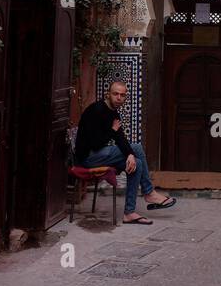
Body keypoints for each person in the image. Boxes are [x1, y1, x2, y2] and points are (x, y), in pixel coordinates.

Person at [74, 79, 175, 225]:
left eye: (122, 95)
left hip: (100, 155)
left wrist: (130, 155)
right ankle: (149, 192)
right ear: (108, 94)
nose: (119, 98)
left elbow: (121, 139)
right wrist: (112, 131)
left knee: (137, 164)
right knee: (137, 148)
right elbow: (95, 144)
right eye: (115, 94)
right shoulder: (96, 111)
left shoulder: (114, 114)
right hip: (88, 158)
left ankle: (129, 213)